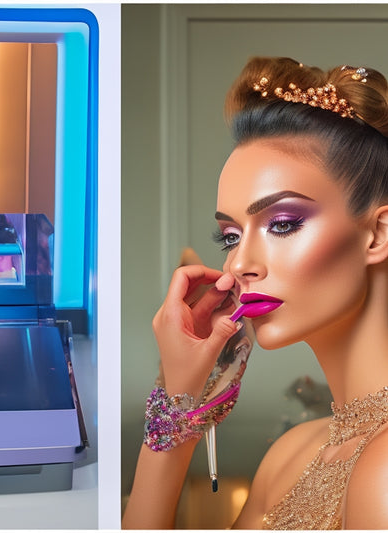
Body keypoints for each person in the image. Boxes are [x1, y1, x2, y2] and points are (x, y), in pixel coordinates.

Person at [122, 56, 388, 529]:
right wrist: (180, 402)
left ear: (377, 234)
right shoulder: (292, 455)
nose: (239, 263)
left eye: (282, 224)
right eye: (230, 236)